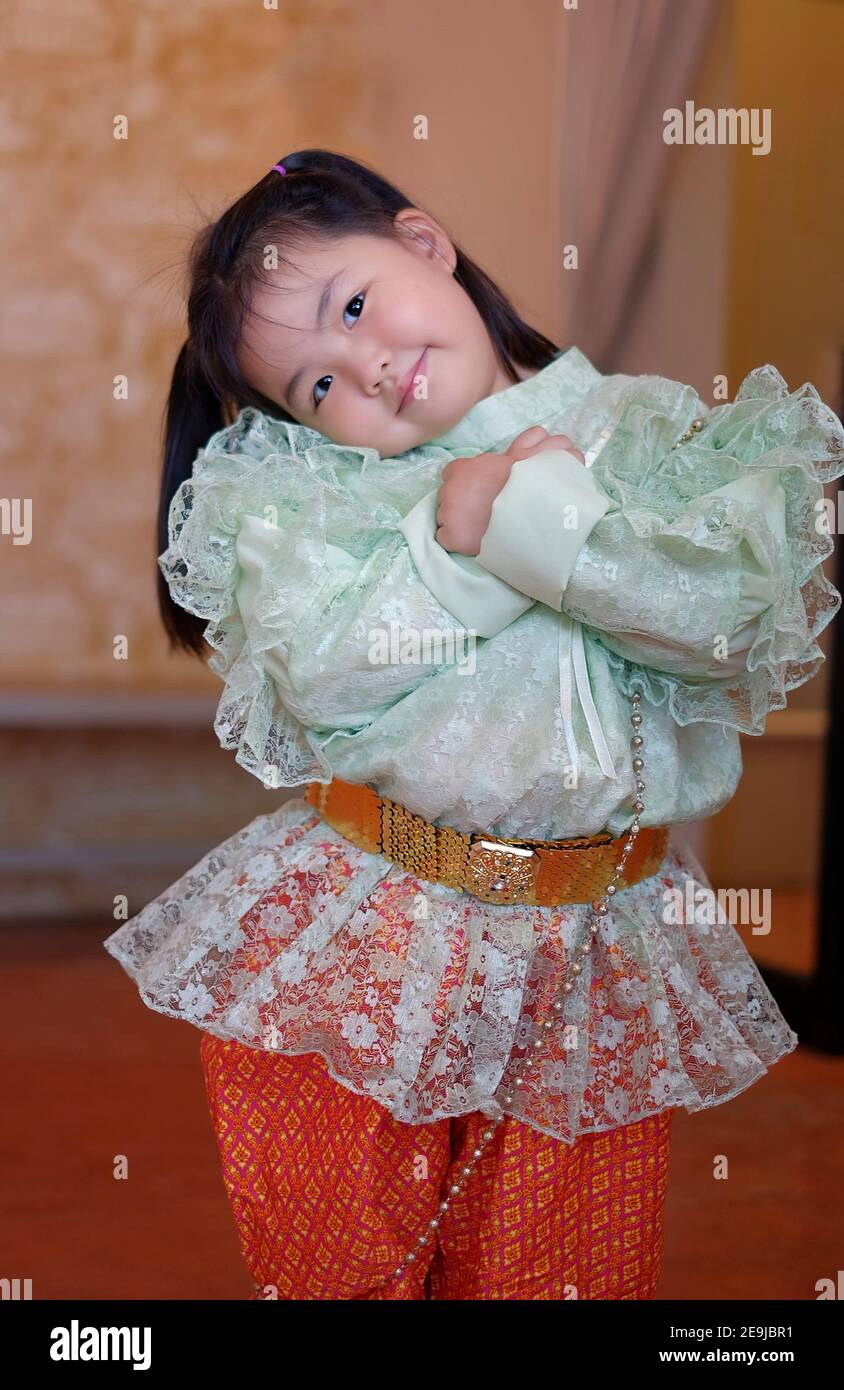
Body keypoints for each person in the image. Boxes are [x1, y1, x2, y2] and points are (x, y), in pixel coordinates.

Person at [104, 148, 844, 1300]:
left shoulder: (644, 437)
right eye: (315, 386)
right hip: (371, 942)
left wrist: (530, 515)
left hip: (594, 946)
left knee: (563, 1277)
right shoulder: (322, 497)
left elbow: (726, 620)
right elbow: (331, 672)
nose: (367, 367)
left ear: (422, 242)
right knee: (348, 1271)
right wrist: (459, 544)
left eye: (352, 305)